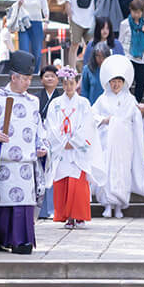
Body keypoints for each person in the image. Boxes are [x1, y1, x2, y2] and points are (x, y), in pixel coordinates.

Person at [0, 50, 48, 254]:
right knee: (2, 202)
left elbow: (39, 128)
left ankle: (21, 241)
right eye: (25, 79)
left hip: (25, 163)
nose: (28, 83)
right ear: (14, 77)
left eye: (30, 79)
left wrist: (41, 146)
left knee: (23, 204)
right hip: (3, 161)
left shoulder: (33, 102)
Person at [45, 68, 105, 229]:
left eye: (71, 83)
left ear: (77, 83)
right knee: (63, 182)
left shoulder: (83, 103)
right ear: (62, 84)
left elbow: (88, 125)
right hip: (62, 148)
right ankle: (67, 217)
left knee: (77, 183)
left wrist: (75, 142)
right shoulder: (55, 104)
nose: (68, 87)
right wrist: (61, 142)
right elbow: (51, 125)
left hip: (78, 149)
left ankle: (78, 216)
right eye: (65, 84)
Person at [91, 54, 144, 218]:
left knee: (122, 171)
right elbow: (92, 115)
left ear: (124, 83)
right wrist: (104, 120)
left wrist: (142, 114)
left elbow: (137, 119)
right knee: (106, 170)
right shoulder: (102, 99)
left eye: (119, 81)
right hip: (106, 141)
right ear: (108, 82)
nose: (116, 84)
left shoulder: (130, 99)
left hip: (124, 142)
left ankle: (119, 206)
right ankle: (107, 205)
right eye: (113, 81)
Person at [35, 66, 63, 220]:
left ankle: (55, 208)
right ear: (41, 79)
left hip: (57, 137)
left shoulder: (62, 99)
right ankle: (42, 209)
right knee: (41, 172)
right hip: (41, 135)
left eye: (53, 76)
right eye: (46, 76)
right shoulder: (35, 99)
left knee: (55, 172)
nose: (50, 79)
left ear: (58, 79)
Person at [62, 0, 99, 71]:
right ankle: (72, 70)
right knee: (74, 45)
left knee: (92, 45)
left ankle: (91, 68)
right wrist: (70, 16)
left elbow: (96, 0)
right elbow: (67, 1)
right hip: (76, 19)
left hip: (90, 19)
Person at [14, 0, 50, 73]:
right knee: (24, 50)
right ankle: (24, 73)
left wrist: (46, 22)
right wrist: (19, 5)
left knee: (37, 51)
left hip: (37, 23)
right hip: (24, 24)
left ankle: (35, 73)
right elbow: (15, 10)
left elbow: (45, 9)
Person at [119, 0, 144, 103]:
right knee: (127, 82)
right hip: (128, 56)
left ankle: (136, 103)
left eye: (139, 12)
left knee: (141, 83)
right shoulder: (125, 23)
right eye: (135, 12)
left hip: (141, 57)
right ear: (131, 10)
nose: (137, 15)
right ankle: (126, 103)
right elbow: (120, 40)